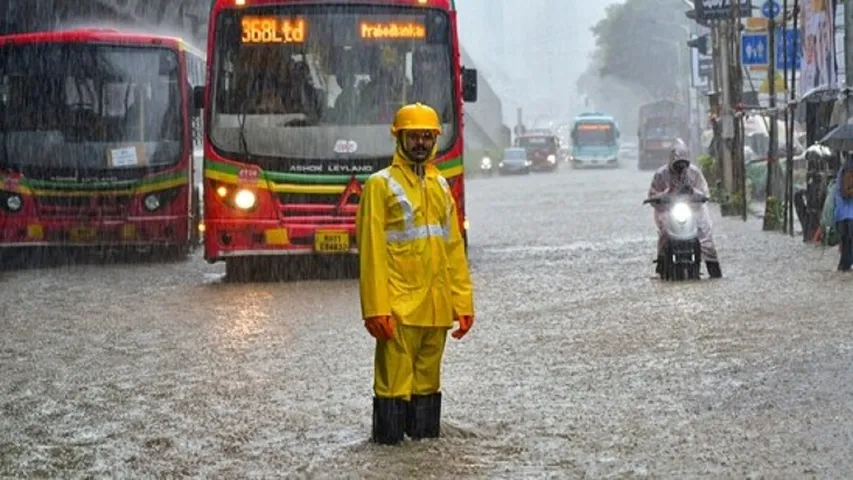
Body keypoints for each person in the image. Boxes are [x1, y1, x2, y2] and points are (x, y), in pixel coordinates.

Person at [356, 103, 474, 445]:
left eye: (427, 136)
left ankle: (422, 458)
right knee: (393, 389)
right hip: (399, 310)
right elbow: (372, 252)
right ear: (399, 138)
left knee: (428, 388)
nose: (421, 143)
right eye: (414, 137)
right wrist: (375, 308)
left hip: (436, 311)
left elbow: (454, 249)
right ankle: (390, 454)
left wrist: (463, 303)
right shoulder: (380, 185)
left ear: (435, 139)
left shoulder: (440, 186)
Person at [648, 139, 722, 278]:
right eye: (677, 164)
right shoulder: (661, 174)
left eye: (683, 164)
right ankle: (661, 265)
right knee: (665, 231)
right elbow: (652, 194)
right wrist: (665, 194)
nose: (680, 167)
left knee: (705, 234)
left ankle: (714, 270)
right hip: (668, 210)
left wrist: (694, 192)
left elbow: (704, 192)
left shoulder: (694, 173)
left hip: (694, 209)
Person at [833, 154, 853, 270]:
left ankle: (843, 268)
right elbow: (847, 193)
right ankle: (845, 267)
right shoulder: (849, 173)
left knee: (845, 244)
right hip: (849, 216)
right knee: (848, 244)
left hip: (840, 215)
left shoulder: (841, 172)